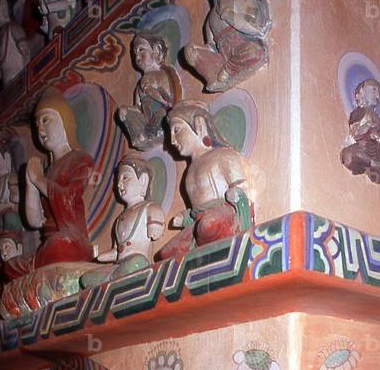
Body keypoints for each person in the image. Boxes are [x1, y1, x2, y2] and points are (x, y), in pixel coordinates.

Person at [157, 101, 251, 262]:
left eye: (177, 130)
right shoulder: (189, 172)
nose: (172, 140)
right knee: (167, 254)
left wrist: (238, 194)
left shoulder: (223, 155)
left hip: (225, 212)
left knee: (207, 226)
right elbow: (197, 209)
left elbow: (242, 187)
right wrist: (186, 217)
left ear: (199, 125)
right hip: (200, 220)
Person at [184, 0, 270, 92]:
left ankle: (228, 71)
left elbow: (256, 27)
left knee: (255, 51)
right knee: (190, 49)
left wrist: (232, 18)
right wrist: (195, 53)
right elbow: (211, 47)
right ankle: (217, 76)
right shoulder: (210, 18)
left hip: (243, 49)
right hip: (222, 59)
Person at [25, 86, 94, 269]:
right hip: (47, 245)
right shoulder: (46, 171)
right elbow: (34, 221)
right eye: (37, 123)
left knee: (60, 244)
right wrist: (31, 183)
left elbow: (69, 199)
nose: (40, 128)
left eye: (46, 120)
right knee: (10, 266)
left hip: (71, 239)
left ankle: (38, 264)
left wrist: (39, 180)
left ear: (64, 121)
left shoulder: (81, 160)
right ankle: (37, 263)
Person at [82, 152, 164, 287]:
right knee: (86, 279)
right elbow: (118, 250)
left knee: (136, 264)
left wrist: (155, 224)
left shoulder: (148, 207)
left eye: (125, 178)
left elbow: (157, 213)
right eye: (118, 180)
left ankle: (112, 281)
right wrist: (103, 256)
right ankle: (113, 279)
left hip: (137, 262)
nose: (119, 185)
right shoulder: (120, 219)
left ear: (143, 181)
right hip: (120, 265)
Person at [117, 30, 181, 150]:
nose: (137, 57)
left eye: (141, 50)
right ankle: (143, 135)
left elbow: (169, 99)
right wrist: (126, 111)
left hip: (161, 114)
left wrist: (150, 91)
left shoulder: (161, 74)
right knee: (125, 111)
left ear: (156, 50)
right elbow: (137, 107)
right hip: (147, 119)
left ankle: (152, 132)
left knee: (161, 114)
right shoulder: (140, 84)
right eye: (135, 53)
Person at [340, 78, 380, 184]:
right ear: (361, 93)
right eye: (374, 90)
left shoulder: (378, 120)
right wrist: (367, 127)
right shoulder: (358, 113)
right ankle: (368, 163)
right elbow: (355, 132)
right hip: (361, 147)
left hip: (374, 152)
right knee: (348, 156)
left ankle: (370, 163)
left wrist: (378, 138)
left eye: (379, 93)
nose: (377, 96)